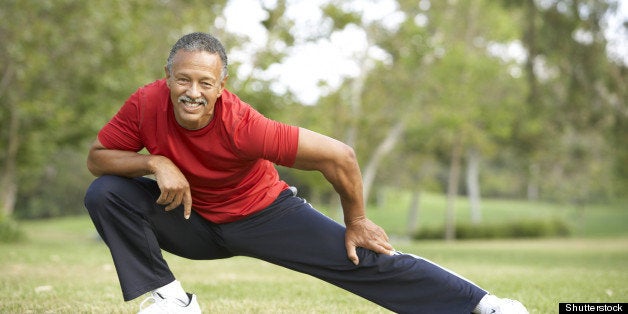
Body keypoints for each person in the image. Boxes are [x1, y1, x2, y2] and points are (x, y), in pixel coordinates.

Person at [84, 32, 528, 314]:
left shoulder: (245, 127)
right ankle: (171, 302)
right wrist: (153, 161)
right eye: (183, 81)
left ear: (222, 87)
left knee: (361, 260)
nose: (193, 93)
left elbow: (341, 156)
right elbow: (99, 157)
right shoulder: (145, 104)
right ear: (167, 77)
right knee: (105, 192)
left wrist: (356, 220)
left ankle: (486, 306)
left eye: (205, 83)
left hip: (264, 216)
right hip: (191, 220)